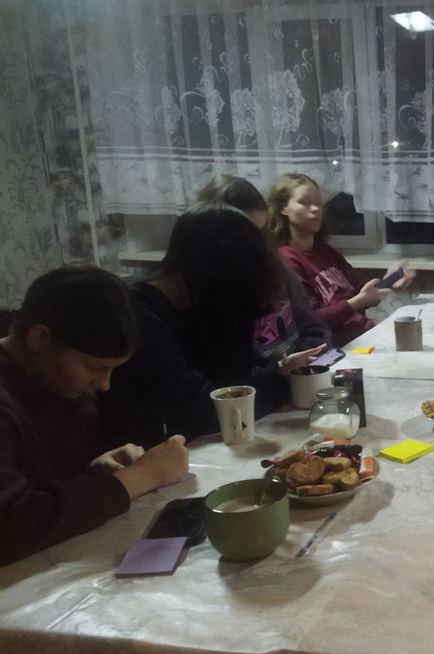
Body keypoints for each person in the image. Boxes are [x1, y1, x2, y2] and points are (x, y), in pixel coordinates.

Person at [0, 267, 188, 566]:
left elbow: (43, 484)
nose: (104, 385)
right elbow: (9, 526)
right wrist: (136, 479)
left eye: (112, 370)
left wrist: (94, 473)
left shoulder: (62, 385)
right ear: (39, 339)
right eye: (94, 367)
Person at [98, 204, 319, 450]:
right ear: (220, 272)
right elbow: (203, 410)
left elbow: (234, 371)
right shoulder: (140, 317)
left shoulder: (193, 301)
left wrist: (279, 370)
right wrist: (279, 382)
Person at [194, 175, 332, 364]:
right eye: (243, 234)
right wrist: (280, 372)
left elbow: (313, 328)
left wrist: (310, 361)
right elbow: (229, 371)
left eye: (259, 231)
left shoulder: (276, 266)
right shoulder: (208, 290)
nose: (254, 242)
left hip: (301, 373)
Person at [268, 173, 414, 347]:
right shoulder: (286, 260)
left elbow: (364, 295)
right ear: (283, 208)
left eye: (318, 203)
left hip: (366, 337)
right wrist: (359, 302)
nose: (315, 209)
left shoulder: (327, 251)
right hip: (337, 351)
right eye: (304, 202)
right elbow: (311, 322)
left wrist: (392, 277)